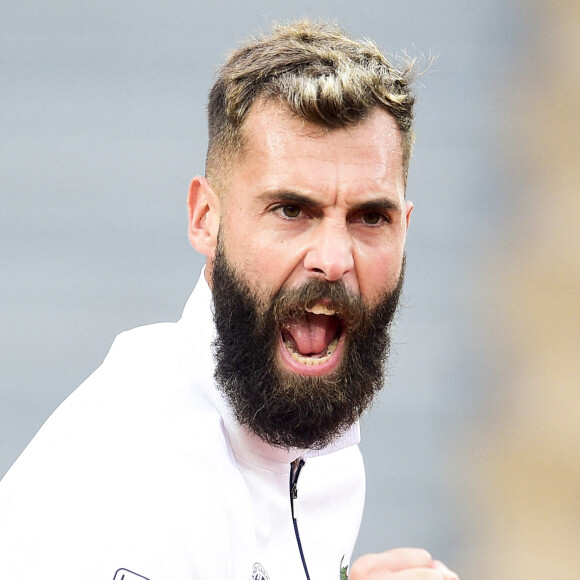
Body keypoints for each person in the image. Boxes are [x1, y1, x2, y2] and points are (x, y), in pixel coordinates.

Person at [0, 20, 459, 580]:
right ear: (205, 219)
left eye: (371, 217)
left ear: (406, 230)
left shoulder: (323, 455)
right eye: (292, 210)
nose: (334, 259)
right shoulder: (129, 490)